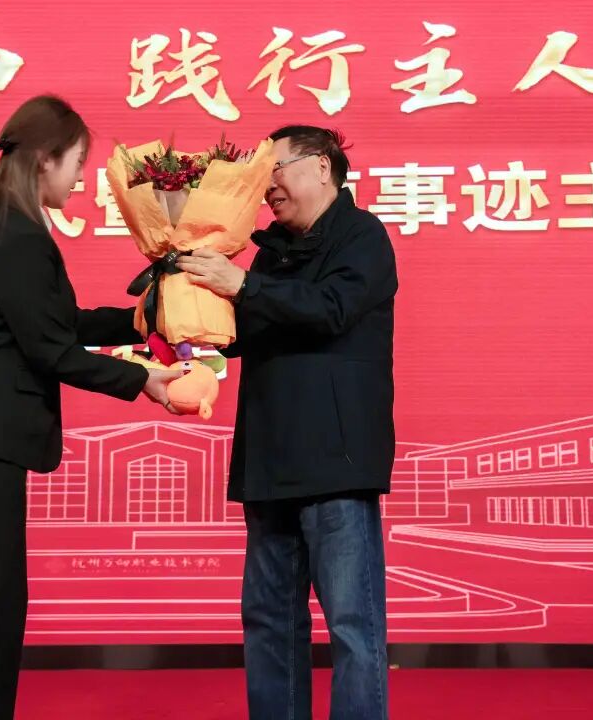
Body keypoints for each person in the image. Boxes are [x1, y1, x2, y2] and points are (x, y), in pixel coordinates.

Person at [0, 95, 181, 720]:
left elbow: (62, 323)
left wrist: (145, 320)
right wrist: (143, 381)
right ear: (44, 160)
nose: (82, 179)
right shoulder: (17, 236)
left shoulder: (16, 228)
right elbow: (52, 350)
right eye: (78, 163)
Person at [178, 125, 397, 720]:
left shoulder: (362, 235)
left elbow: (331, 309)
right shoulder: (270, 249)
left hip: (335, 463)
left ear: (322, 167)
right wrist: (182, 294)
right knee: (269, 622)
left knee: (352, 625)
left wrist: (245, 286)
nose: (265, 187)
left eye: (273, 170)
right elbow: (240, 334)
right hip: (269, 461)